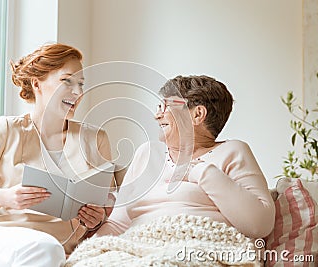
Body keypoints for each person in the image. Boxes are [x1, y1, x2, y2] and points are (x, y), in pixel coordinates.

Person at [0, 43, 112, 267]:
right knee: (45, 250)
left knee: (49, 250)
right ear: (37, 83)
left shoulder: (96, 139)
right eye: (67, 81)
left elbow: (104, 209)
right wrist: (3, 197)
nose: (78, 93)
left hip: (59, 248)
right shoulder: (8, 129)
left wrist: (96, 218)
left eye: (81, 84)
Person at [95, 75, 275, 239]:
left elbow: (259, 225)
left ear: (197, 114)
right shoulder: (148, 153)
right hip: (136, 244)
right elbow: (118, 224)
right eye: (159, 107)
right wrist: (87, 251)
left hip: (199, 245)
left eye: (166, 107)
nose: (157, 115)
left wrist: (200, 172)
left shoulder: (233, 151)